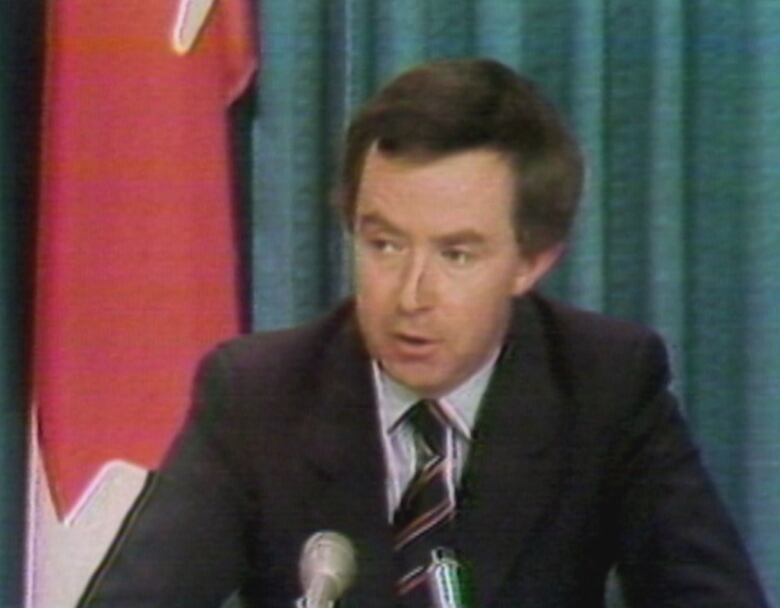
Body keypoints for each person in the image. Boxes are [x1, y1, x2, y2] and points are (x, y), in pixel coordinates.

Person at [79, 58, 769, 607]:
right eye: (384, 245)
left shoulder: (606, 385)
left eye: (456, 255)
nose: (412, 296)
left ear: (533, 259)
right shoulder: (258, 397)